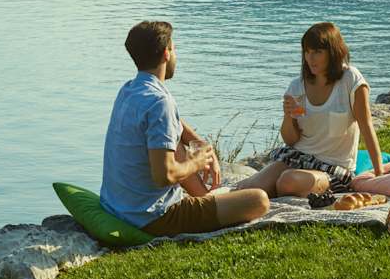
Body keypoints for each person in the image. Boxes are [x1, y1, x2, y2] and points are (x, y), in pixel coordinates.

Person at [101, 20, 272, 236]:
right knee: (258, 200)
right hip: (154, 217)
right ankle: (207, 202)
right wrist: (196, 162)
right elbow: (164, 176)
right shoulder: (160, 102)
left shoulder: (129, 90)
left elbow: (173, 124)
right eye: (174, 49)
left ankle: (205, 199)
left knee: (175, 144)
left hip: (117, 206)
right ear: (166, 53)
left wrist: (202, 145)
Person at [229, 21, 390, 198]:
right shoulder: (297, 86)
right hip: (296, 157)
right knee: (248, 189)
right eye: (307, 52)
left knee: (287, 182)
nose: (310, 58)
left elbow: (366, 126)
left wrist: (380, 173)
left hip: (333, 166)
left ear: (333, 52)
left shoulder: (350, 80)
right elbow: (291, 139)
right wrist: (288, 116)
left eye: (317, 52)